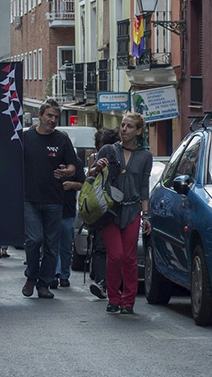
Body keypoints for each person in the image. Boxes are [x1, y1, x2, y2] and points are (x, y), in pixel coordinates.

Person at [90, 112, 152, 314]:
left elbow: (144, 187)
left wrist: (145, 215)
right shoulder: (109, 150)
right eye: (123, 125)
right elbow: (90, 175)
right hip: (110, 210)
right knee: (116, 256)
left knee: (130, 259)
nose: (124, 129)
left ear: (139, 131)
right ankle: (113, 297)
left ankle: (128, 302)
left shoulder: (145, 156)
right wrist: (97, 168)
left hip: (132, 209)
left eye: (129, 126)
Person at [21, 99, 77, 299]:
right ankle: (31, 276)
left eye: (56, 117)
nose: (53, 120)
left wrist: (66, 172)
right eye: (49, 116)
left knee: (53, 246)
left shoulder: (62, 139)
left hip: (54, 200)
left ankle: (44, 284)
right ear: (40, 115)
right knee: (35, 240)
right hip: (29, 199)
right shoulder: (26, 137)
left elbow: (73, 166)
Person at [88, 128, 121, 300]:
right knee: (100, 247)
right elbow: (89, 179)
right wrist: (96, 169)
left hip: (120, 207)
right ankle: (101, 282)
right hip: (102, 208)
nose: (104, 152)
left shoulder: (122, 156)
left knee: (118, 252)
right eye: (100, 148)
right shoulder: (95, 159)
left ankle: (114, 284)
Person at [52, 154, 85, 288]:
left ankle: (64, 275)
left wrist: (72, 184)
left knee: (66, 246)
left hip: (68, 210)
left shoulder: (75, 162)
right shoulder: (50, 159)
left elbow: (83, 184)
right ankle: (54, 274)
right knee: (51, 244)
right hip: (50, 209)